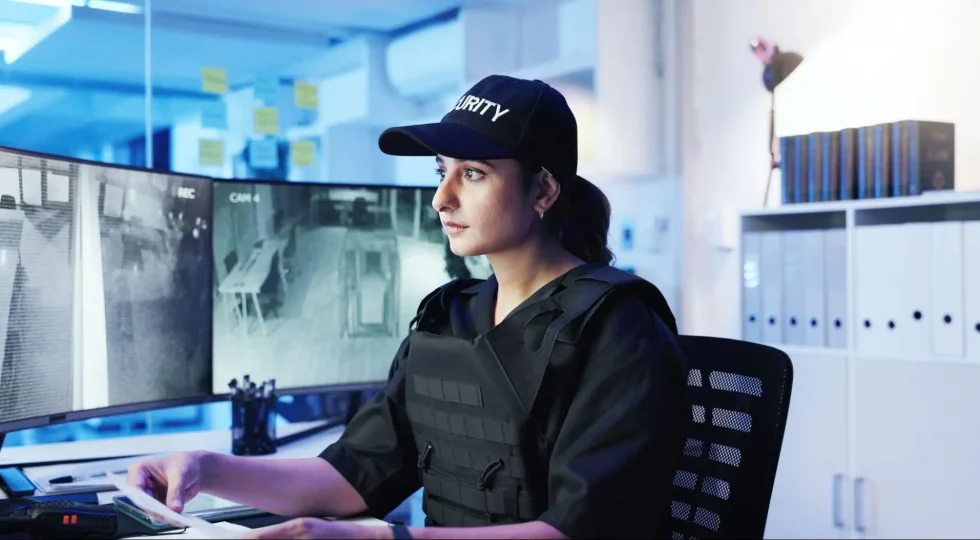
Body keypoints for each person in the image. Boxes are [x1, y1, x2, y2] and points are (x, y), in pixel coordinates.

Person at [128, 74, 689, 540]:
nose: (441, 198)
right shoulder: (451, 317)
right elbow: (351, 476)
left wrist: (389, 537)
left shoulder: (619, 326)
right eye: (441, 170)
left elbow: (577, 531)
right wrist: (206, 468)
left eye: (473, 174)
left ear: (543, 191)